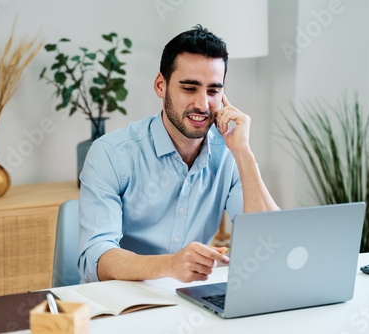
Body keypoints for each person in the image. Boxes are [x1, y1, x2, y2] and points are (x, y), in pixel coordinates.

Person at [77, 25, 279, 284]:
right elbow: (94, 258)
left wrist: (244, 154)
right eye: (189, 88)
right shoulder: (110, 154)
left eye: (213, 90)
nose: (203, 104)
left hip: (188, 304)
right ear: (161, 86)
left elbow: (271, 241)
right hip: (123, 305)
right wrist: (170, 265)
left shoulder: (230, 153)